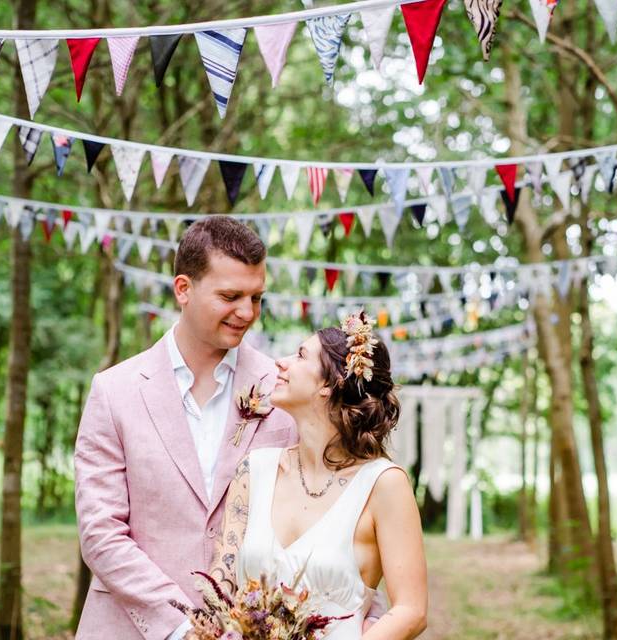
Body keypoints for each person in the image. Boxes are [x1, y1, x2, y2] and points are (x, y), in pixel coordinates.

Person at [74, 217, 297, 639]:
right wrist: (184, 628)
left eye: (256, 297)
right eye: (230, 296)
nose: (247, 313)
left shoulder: (284, 392)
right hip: (129, 629)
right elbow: (101, 532)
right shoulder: (114, 391)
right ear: (183, 289)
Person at [207, 312, 428, 639]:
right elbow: (221, 583)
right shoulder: (254, 469)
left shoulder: (383, 484)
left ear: (330, 384)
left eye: (299, 355)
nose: (280, 363)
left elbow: (412, 610)